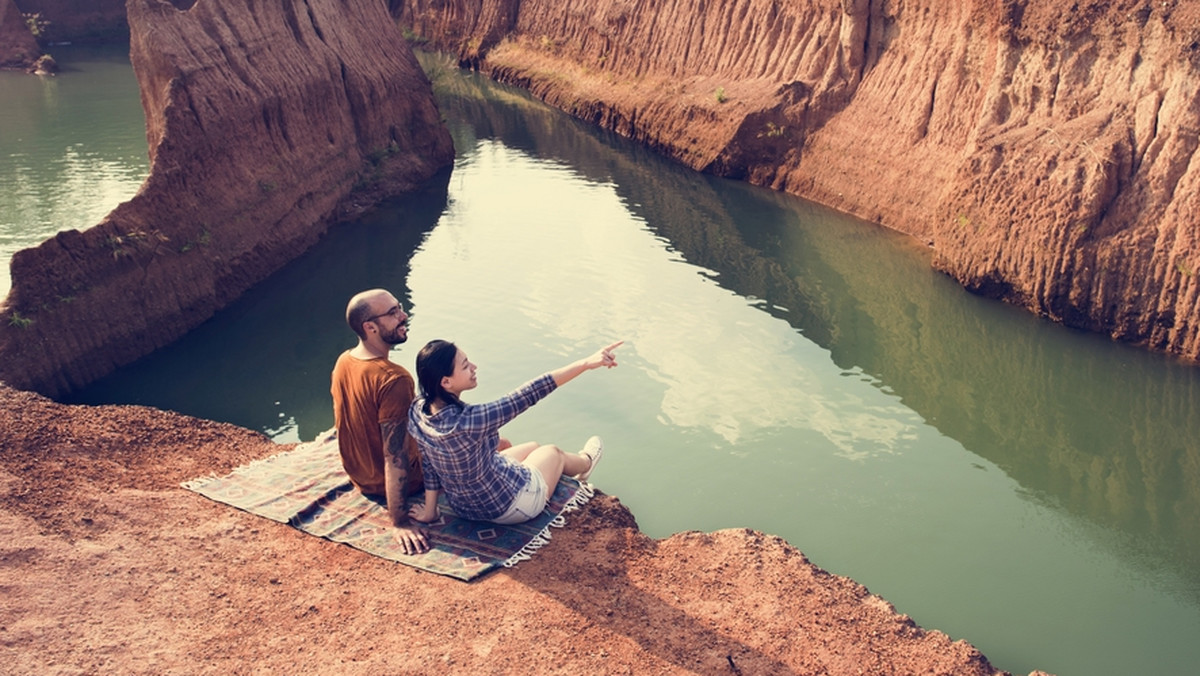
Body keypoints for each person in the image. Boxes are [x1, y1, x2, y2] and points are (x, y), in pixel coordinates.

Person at [406, 339, 622, 526]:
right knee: (552, 451)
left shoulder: (419, 411)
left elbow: (429, 464)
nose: (474, 366)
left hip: (464, 507)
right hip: (510, 507)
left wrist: (430, 511)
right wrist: (585, 363)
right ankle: (585, 463)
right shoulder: (472, 420)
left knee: (532, 447)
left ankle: (555, 468)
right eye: (465, 366)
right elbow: (531, 391)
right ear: (446, 382)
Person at [330, 289, 429, 555]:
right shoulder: (394, 379)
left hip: (359, 475)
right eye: (393, 313)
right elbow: (394, 455)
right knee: (498, 444)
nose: (403, 316)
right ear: (370, 327)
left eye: (399, 308)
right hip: (399, 482)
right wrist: (400, 522)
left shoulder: (345, 360)